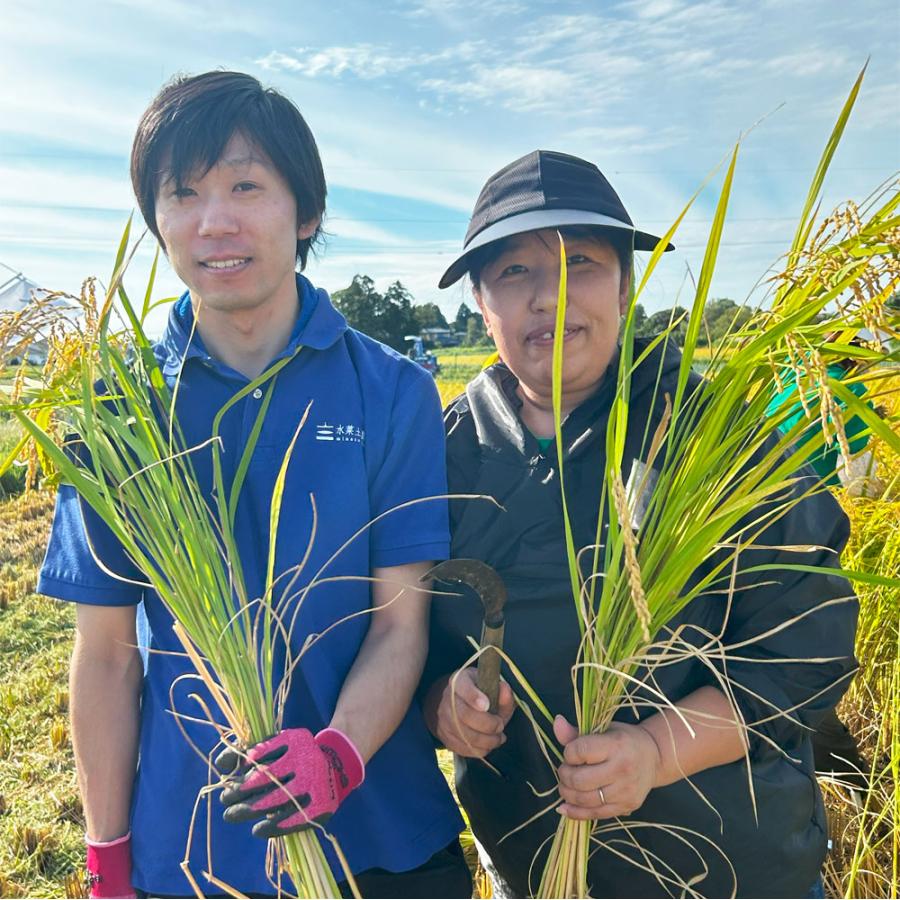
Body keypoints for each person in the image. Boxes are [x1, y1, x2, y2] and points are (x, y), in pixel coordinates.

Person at [37, 71, 470, 899]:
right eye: (183, 193)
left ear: (306, 214)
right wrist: (107, 857)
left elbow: (399, 624)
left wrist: (337, 755)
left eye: (246, 185)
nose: (214, 221)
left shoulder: (390, 390)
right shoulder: (117, 410)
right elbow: (104, 658)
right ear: (156, 219)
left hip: (382, 837)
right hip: (195, 845)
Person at [421, 150, 858, 897]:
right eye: (514, 272)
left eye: (581, 262)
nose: (549, 298)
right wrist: (444, 707)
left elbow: (803, 644)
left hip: (724, 868)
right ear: (481, 302)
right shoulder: (448, 448)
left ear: (626, 286)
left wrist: (654, 751)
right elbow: (405, 633)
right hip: (530, 862)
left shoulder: (704, 431)